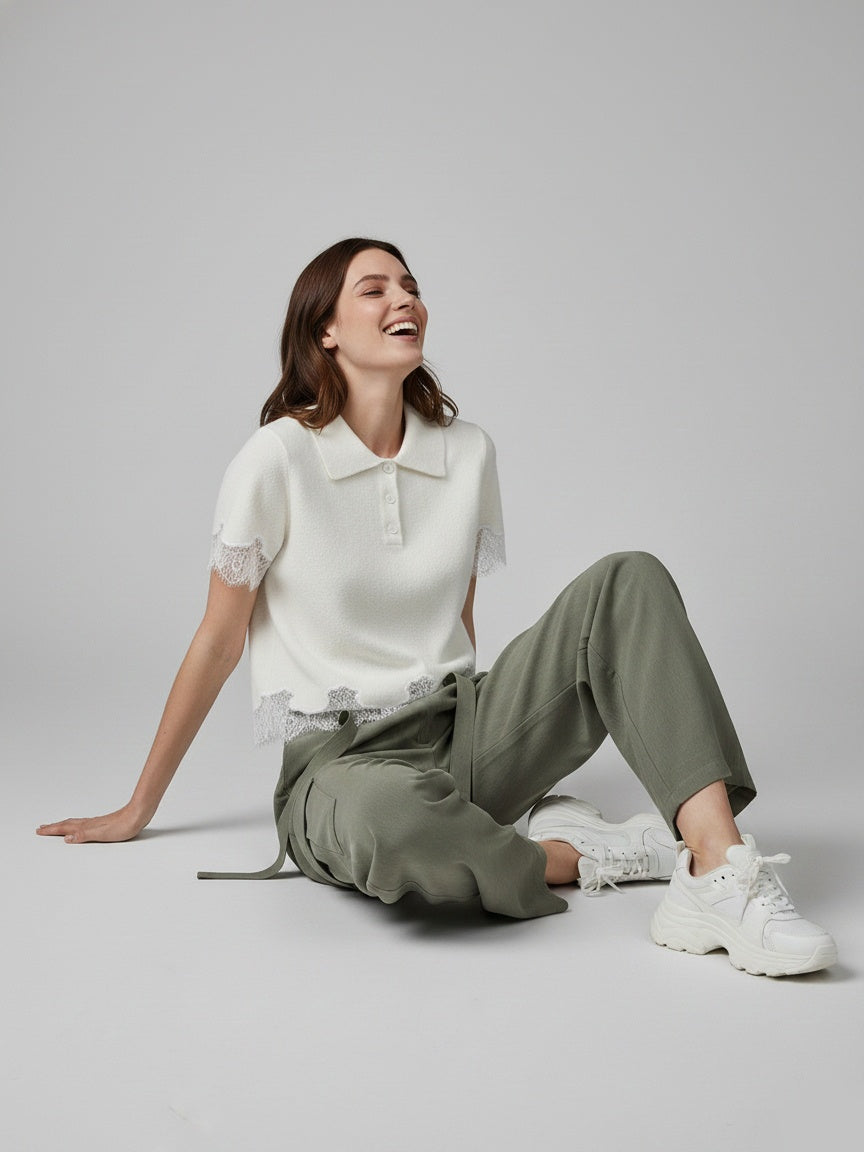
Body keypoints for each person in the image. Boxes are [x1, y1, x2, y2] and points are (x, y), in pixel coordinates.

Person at [38, 238, 837, 978]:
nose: (405, 300)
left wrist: (497, 745)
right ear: (325, 331)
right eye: (374, 289)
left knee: (630, 578)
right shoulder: (276, 458)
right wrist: (139, 806)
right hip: (341, 767)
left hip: (463, 733)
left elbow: (459, 621)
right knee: (391, 818)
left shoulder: (467, 452)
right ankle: (580, 855)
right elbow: (219, 641)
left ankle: (714, 867)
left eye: (411, 287)